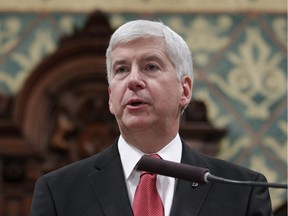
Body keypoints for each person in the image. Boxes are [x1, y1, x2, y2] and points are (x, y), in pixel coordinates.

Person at [30, 20, 273, 216]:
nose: (133, 80)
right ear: (110, 96)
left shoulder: (242, 191)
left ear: (184, 90)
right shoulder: (59, 192)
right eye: (121, 69)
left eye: (151, 66)